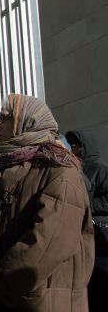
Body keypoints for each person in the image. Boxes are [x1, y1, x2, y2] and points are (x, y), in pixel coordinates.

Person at [0, 94, 93, 312]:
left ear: (26, 124)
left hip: (43, 301)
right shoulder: (6, 173)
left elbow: (48, 243)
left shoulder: (61, 173)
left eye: (5, 117)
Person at [66, 129, 108, 311]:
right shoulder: (72, 168)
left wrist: (86, 203)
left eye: (74, 145)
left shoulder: (100, 168)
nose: (72, 148)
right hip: (79, 236)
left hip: (100, 237)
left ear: (84, 146)